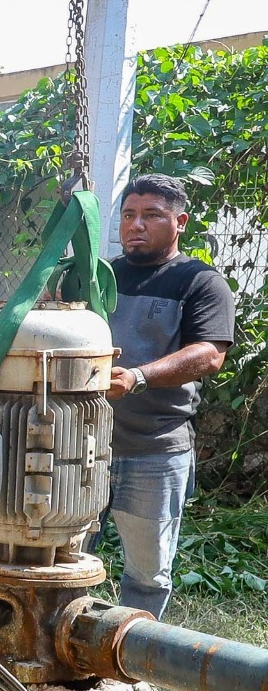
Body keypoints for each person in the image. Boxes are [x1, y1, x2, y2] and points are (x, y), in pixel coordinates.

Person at [101, 174, 234, 620]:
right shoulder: (101, 277)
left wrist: (137, 376)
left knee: (146, 574)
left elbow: (210, 354)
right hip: (83, 448)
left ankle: (131, 665)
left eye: (151, 215)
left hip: (154, 451)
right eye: (128, 215)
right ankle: (66, 651)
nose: (136, 225)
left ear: (180, 222)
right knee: (64, 555)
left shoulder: (198, 282)